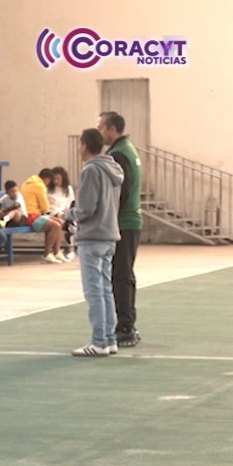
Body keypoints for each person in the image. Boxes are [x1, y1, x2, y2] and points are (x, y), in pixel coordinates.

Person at [66, 128, 124, 357]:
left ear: (84, 145)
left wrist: (69, 214)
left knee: (93, 291)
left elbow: (86, 208)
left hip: (92, 236)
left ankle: (99, 341)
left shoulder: (91, 170)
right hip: (109, 234)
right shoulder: (113, 169)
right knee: (105, 289)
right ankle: (109, 339)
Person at [98, 111, 143, 347]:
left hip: (123, 223)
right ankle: (127, 322)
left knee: (120, 276)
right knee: (124, 274)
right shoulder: (128, 149)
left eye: (101, 127)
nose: (99, 132)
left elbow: (119, 192)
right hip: (130, 222)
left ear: (112, 129)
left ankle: (125, 326)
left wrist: (104, 217)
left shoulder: (118, 154)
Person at [20, 168, 66, 263]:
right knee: (55, 225)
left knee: (60, 222)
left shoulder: (26, 182)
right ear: (47, 179)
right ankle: (47, 254)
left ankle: (57, 252)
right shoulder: (40, 185)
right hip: (32, 216)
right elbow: (44, 206)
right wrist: (47, 214)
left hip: (29, 214)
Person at [47, 166, 76, 261]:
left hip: (63, 212)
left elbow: (70, 204)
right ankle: (55, 251)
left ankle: (70, 249)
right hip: (51, 213)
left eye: (58, 178)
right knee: (58, 222)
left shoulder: (68, 189)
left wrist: (64, 213)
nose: (56, 181)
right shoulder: (49, 189)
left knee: (72, 223)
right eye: (54, 179)